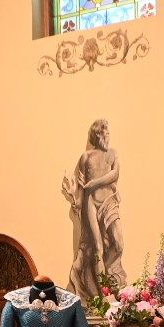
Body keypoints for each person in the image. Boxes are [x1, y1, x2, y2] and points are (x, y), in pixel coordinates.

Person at [64, 119, 125, 297]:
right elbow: (82, 188)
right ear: (98, 134)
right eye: (106, 132)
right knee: (97, 248)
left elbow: (115, 174)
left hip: (109, 201)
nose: (108, 135)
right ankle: (102, 295)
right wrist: (77, 202)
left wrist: (94, 183)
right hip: (91, 203)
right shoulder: (86, 157)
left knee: (118, 243)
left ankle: (110, 271)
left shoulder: (113, 153)